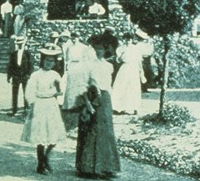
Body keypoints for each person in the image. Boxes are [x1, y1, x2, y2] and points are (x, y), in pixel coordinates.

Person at [76, 35, 120, 179]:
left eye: (102, 49)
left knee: (106, 131)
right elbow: (83, 85)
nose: (99, 51)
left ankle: (107, 166)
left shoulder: (109, 66)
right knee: (92, 130)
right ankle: (90, 167)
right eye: (97, 49)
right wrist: (87, 103)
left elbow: (108, 85)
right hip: (92, 97)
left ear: (106, 50)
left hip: (105, 99)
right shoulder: (89, 65)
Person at [21, 44, 66, 175]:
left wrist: (57, 91)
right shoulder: (36, 75)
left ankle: (46, 158)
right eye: (47, 61)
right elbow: (29, 92)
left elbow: (60, 91)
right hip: (40, 105)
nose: (49, 64)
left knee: (53, 135)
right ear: (42, 60)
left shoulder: (56, 75)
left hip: (51, 105)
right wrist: (33, 104)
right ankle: (40, 165)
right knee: (41, 136)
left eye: (51, 61)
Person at [111, 32, 144, 115]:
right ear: (124, 39)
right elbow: (118, 60)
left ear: (132, 39)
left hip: (134, 68)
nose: (128, 40)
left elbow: (139, 61)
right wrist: (120, 57)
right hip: (125, 68)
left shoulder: (136, 49)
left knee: (132, 87)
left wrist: (141, 72)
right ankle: (118, 107)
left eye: (130, 39)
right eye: (126, 39)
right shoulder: (121, 48)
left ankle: (131, 108)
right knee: (121, 86)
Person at [61, 31, 92, 112]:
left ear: (79, 38)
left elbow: (87, 59)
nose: (74, 39)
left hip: (80, 66)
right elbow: (67, 58)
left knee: (80, 85)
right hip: (71, 67)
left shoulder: (84, 47)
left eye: (75, 38)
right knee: (71, 85)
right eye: (72, 38)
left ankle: (80, 103)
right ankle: (70, 104)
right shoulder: (69, 47)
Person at [7, 35, 33, 116]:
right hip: (16, 76)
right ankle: (14, 110)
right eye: (18, 43)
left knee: (26, 93)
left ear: (24, 43)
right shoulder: (13, 54)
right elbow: (10, 66)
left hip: (24, 75)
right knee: (14, 93)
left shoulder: (28, 53)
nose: (20, 45)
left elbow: (31, 65)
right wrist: (9, 76)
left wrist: (28, 74)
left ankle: (26, 109)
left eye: (21, 43)